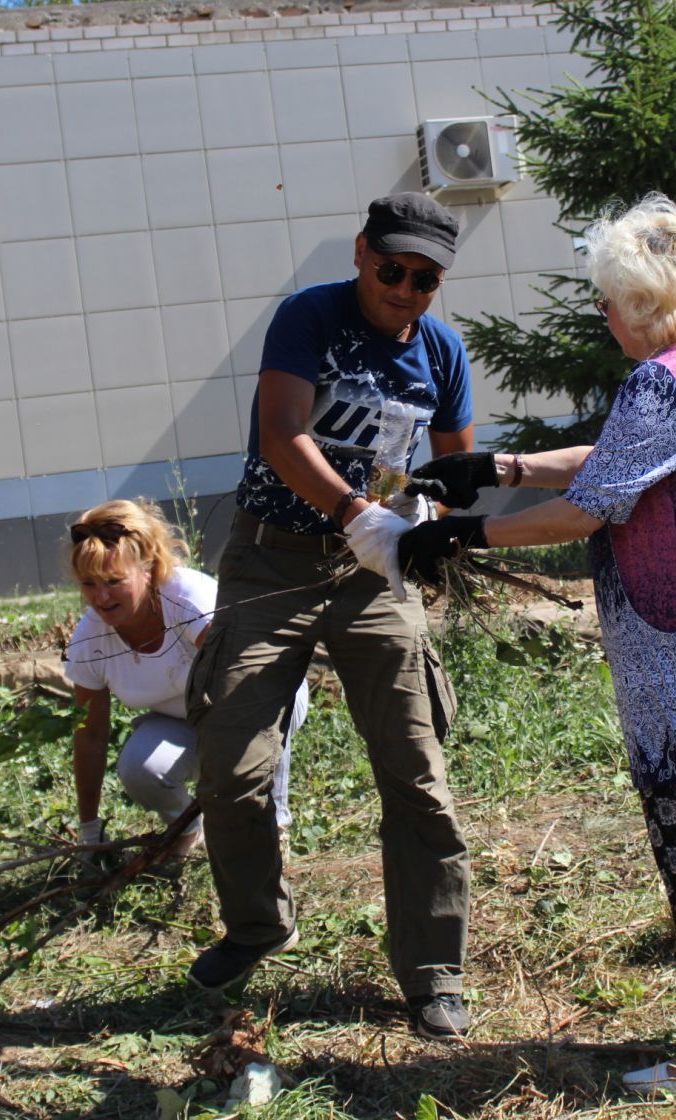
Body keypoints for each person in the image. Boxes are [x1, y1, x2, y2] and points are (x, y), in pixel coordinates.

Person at [399, 195, 676, 1094]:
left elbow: (594, 502)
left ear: (640, 301)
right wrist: (502, 468)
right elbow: (623, 457)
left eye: (607, 298)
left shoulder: (660, 382)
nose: (601, 314)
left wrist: (462, 533)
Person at [183, 193, 477, 1040]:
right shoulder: (309, 319)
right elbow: (282, 435)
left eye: (425, 279)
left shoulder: (442, 351)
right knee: (233, 766)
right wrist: (357, 509)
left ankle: (431, 972)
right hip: (271, 556)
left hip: (372, 574)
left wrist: (419, 518)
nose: (406, 289)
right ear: (361, 253)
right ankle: (256, 925)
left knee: (416, 772)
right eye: (393, 269)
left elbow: (450, 468)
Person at [64, 498, 309, 865]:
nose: (101, 597)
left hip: (260, 697)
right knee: (140, 770)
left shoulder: (189, 601)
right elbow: (91, 734)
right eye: (89, 584)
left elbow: (253, 690)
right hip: (184, 719)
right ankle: (190, 828)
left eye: (114, 582)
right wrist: (88, 828)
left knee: (249, 733)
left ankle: (273, 830)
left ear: (147, 567)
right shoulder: (90, 641)